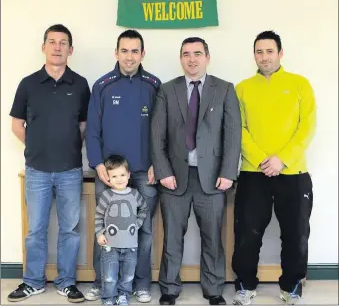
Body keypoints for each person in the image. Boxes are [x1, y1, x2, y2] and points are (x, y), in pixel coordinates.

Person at [151, 37, 242, 306]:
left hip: (213, 178)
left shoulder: (224, 89)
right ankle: (169, 288)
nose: (192, 59)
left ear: (207, 57)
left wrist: (228, 172)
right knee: (172, 236)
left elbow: (233, 134)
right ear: (180, 58)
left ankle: (213, 289)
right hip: (174, 178)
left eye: (197, 53)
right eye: (186, 54)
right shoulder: (167, 90)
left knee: (212, 236)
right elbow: (156, 136)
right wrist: (163, 170)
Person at [7, 24, 91, 303]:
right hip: (37, 170)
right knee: (36, 230)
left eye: (63, 42)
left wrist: (66, 146)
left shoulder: (80, 84)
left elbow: (84, 125)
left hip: (69, 169)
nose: (57, 47)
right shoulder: (28, 84)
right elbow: (16, 124)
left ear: (71, 50)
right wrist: (36, 147)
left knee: (69, 229)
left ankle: (67, 282)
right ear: (43, 47)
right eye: (52, 42)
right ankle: (33, 282)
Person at [231, 31, 316, 306]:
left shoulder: (300, 85)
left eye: (269, 51)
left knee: (296, 233)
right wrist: (260, 160)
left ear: (280, 53)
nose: (264, 56)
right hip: (253, 173)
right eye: (259, 51)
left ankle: (291, 287)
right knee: (247, 232)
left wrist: (282, 159)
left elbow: (307, 127)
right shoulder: (242, 88)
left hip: (293, 173)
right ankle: (245, 285)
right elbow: (238, 129)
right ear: (254, 55)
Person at [85, 29, 161, 303]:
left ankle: (141, 284)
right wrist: (97, 164)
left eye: (135, 51)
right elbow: (92, 130)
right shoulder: (102, 85)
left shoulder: (154, 85)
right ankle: (100, 282)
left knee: (142, 230)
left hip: (144, 173)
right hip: (109, 174)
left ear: (143, 53)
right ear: (116, 53)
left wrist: (157, 164)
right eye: (124, 50)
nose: (129, 57)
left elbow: (161, 130)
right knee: (104, 229)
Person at [95, 155, 148, 305]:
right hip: (110, 246)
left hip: (131, 245)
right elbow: (98, 216)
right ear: (108, 178)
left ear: (129, 175)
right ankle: (109, 298)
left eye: (122, 175)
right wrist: (99, 233)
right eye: (114, 176)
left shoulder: (134, 194)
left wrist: (137, 223)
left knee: (128, 275)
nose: (119, 179)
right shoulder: (106, 195)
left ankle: (123, 295)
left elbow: (144, 208)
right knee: (109, 276)